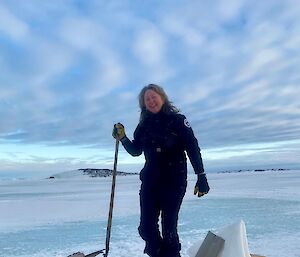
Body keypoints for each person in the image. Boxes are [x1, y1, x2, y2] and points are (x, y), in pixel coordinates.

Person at [112, 84, 210, 257]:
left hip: (174, 181)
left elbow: (193, 149)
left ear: (162, 97)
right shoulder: (143, 126)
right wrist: (123, 138)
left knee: (169, 229)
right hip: (150, 182)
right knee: (146, 228)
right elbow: (136, 151)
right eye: (147, 99)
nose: (151, 101)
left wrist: (201, 176)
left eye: (153, 96)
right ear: (143, 104)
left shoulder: (178, 121)